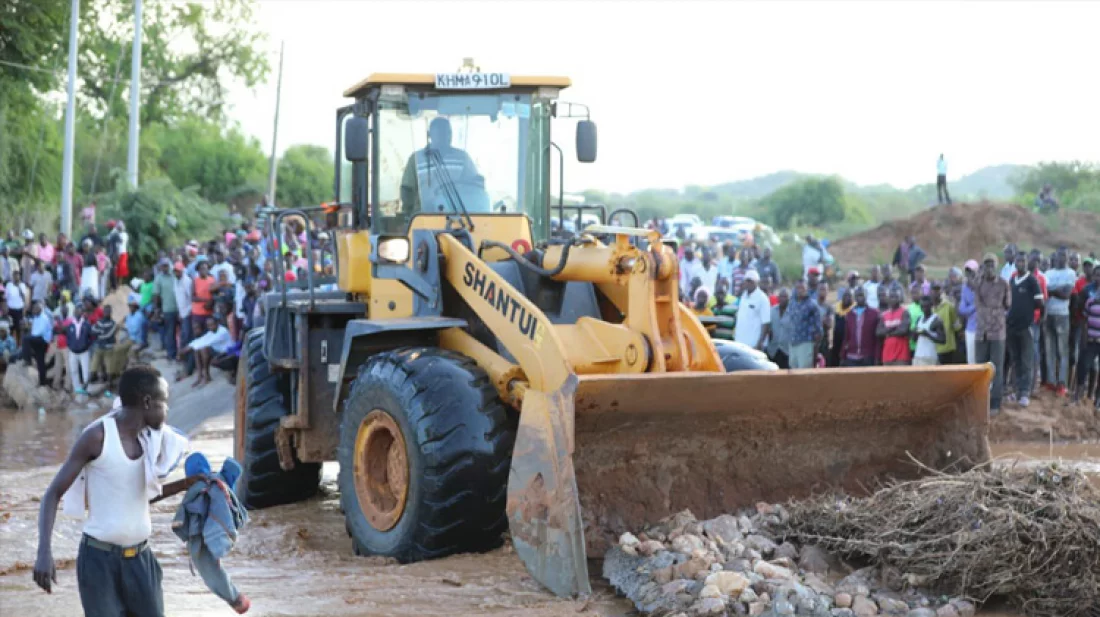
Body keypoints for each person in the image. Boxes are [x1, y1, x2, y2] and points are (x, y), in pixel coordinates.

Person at [33, 366, 192, 616]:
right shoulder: (97, 438)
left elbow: (139, 497)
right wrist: (44, 552)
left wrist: (188, 483)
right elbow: (52, 494)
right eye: (163, 403)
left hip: (141, 561)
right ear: (147, 402)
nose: (167, 410)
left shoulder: (151, 441)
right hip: (99, 562)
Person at [399, 116, 484, 212]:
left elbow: (475, 187)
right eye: (441, 133)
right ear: (429, 135)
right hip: (424, 217)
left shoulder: (462, 158)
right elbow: (407, 190)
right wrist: (408, 214)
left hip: (457, 217)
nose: (447, 137)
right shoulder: (416, 159)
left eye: (449, 133)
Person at [1004, 253, 1044, 407]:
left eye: (1023, 261)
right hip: (1011, 327)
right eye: (1018, 261)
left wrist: (1036, 317)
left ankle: (1025, 393)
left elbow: (1040, 303)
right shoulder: (1012, 280)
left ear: (1027, 263)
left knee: (1026, 361)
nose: (1020, 264)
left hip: (1026, 326)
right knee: (1016, 360)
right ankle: (1016, 391)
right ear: (1015, 263)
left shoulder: (1032, 281)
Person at [974, 253, 1011, 415]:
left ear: (996, 266)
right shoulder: (979, 284)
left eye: (992, 265)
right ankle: (981, 401)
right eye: (986, 265)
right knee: (980, 368)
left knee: (996, 368)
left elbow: (1008, 304)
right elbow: (978, 305)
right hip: (981, 331)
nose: (989, 268)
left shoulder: (1003, 284)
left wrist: (995, 315)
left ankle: (995, 402)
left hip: (997, 332)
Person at [1044, 251, 1076, 397]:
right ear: (1055, 257)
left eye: (1064, 256)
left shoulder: (1070, 273)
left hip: (1063, 315)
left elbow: (1066, 295)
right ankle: (1051, 381)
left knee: (1063, 351)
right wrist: (1057, 290)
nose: (1062, 258)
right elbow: (1045, 292)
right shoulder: (1048, 273)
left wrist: (1052, 291)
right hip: (1048, 315)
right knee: (1049, 349)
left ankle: (1062, 383)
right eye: (1059, 255)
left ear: (1067, 258)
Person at [1072, 267, 1100, 408]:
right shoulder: (1089, 297)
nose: (1099, 278)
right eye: (1097, 275)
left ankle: (1097, 402)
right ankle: (1078, 397)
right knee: (1083, 366)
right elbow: (1083, 317)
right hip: (1090, 339)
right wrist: (1084, 335)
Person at [181, 316, 232, 386]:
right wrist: (188, 347)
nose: (210, 327)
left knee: (203, 348)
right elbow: (203, 339)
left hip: (226, 353)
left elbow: (208, 342)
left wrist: (187, 349)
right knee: (197, 350)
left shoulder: (222, 331)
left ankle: (206, 375)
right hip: (218, 351)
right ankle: (200, 376)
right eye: (208, 325)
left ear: (217, 323)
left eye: (211, 325)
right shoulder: (212, 331)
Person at [787, 280, 822, 369]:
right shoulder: (792, 303)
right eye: (797, 288)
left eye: (802, 288)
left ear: (807, 289)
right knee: (792, 371)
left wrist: (815, 349)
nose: (799, 290)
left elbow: (818, 330)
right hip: (792, 343)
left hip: (805, 343)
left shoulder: (812, 305)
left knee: (803, 372)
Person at [841, 287, 879, 366]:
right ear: (855, 297)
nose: (860, 298)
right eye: (858, 295)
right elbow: (846, 337)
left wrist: (877, 357)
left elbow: (877, 338)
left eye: (862, 295)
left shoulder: (874, 314)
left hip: (868, 356)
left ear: (866, 296)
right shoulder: (849, 314)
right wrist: (843, 356)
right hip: (851, 356)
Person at [734, 270, 771, 351]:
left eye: (751, 281)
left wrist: (760, 343)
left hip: (754, 345)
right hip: (739, 342)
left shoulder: (762, 298)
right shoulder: (743, 296)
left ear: (757, 282)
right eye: (747, 281)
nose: (748, 283)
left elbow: (766, 323)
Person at [153, 259, 180, 360]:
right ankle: (171, 354)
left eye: (166, 265)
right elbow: (156, 295)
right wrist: (156, 309)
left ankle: (182, 354)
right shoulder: (159, 278)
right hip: (168, 309)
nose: (165, 268)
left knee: (183, 333)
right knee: (170, 332)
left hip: (181, 308)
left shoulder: (176, 274)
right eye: (163, 266)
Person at [878, 288, 912, 366]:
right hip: (887, 355)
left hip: (901, 355)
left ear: (899, 298)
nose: (893, 299)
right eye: (891, 297)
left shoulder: (905, 312)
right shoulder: (884, 314)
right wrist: (893, 328)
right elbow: (878, 332)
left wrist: (888, 332)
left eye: (895, 297)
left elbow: (903, 330)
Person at [22, 300, 53, 386]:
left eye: (35, 309)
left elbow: (39, 332)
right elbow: (34, 330)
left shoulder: (44, 318)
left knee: (26, 339)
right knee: (40, 361)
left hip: (43, 340)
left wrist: (31, 336)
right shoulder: (36, 318)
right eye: (33, 309)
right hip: (37, 339)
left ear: (40, 309)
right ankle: (42, 381)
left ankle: (28, 359)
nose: (33, 310)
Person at [931, 282, 962, 365]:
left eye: (938, 290)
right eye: (934, 290)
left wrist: (959, 333)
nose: (936, 292)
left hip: (947, 347)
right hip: (932, 348)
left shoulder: (949, 306)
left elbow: (956, 325)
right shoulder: (927, 307)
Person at [912, 295, 947, 366]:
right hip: (918, 355)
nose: (924, 309)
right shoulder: (919, 319)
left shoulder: (936, 320)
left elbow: (943, 340)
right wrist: (914, 333)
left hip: (930, 357)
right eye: (922, 306)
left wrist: (927, 334)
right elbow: (914, 339)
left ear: (931, 306)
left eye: (926, 306)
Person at [66, 304, 92, 394]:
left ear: (82, 313)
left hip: (84, 352)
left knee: (86, 371)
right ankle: (77, 389)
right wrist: (70, 345)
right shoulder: (70, 325)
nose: (77, 313)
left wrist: (86, 345)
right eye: (76, 311)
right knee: (73, 370)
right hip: (73, 352)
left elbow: (91, 337)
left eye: (79, 311)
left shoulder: (86, 324)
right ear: (74, 312)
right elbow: (68, 337)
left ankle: (86, 389)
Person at [766, 288, 792, 369]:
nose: (783, 299)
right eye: (781, 296)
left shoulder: (793, 312)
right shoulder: (772, 310)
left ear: (789, 299)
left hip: (786, 350)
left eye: (785, 297)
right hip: (772, 350)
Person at [5, 270, 28, 345]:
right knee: (11, 328)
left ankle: (18, 345)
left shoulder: (22, 285)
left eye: (17, 276)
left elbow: (24, 298)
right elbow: (6, 297)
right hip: (10, 310)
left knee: (19, 329)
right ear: (13, 277)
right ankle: (10, 344)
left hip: (19, 310)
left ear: (19, 277)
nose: (16, 277)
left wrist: (19, 287)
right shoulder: (9, 285)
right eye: (15, 276)